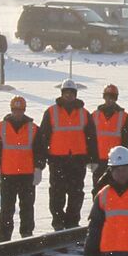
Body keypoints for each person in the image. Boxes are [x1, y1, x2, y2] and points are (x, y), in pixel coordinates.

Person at [37, 80, 96, 229]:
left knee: (76, 192)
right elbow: (43, 137)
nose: (69, 96)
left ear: (75, 94)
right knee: (57, 192)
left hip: (78, 159)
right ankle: (58, 221)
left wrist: (93, 158)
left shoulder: (84, 113)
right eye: (66, 93)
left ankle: (72, 221)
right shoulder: (51, 112)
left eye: (71, 93)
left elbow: (92, 137)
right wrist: (42, 160)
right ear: (62, 93)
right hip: (57, 159)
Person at [0, 95, 45, 242]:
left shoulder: (34, 129)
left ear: (24, 110)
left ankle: (26, 233)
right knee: (6, 207)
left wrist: (38, 168)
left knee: (27, 206)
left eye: (20, 110)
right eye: (15, 109)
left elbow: (40, 150)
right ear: (11, 109)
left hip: (27, 175)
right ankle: (4, 234)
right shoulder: (0, 128)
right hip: (8, 175)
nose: (17, 112)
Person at [90, 83, 128, 188]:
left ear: (116, 98)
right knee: (98, 189)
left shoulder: (124, 117)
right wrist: (91, 158)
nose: (109, 99)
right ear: (104, 97)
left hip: (117, 161)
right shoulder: (94, 115)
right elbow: (90, 138)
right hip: (98, 159)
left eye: (112, 97)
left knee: (117, 188)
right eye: (107, 96)